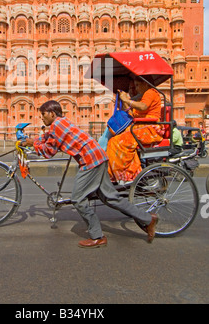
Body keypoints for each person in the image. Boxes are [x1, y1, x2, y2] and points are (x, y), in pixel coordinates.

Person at [20, 100, 158, 248]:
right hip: (99, 157)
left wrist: (32, 145)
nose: (42, 117)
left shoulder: (57, 126)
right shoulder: (61, 122)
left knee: (78, 199)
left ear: (52, 114)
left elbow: (48, 151)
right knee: (111, 198)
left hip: (90, 161)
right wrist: (31, 141)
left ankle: (98, 236)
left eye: (43, 114)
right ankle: (148, 219)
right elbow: (48, 138)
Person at [106, 77, 163, 183]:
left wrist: (127, 100)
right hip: (141, 126)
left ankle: (126, 175)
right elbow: (133, 112)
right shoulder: (143, 96)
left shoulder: (150, 92)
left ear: (145, 84)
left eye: (137, 85)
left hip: (149, 128)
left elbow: (143, 107)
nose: (136, 89)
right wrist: (124, 101)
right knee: (115, 141)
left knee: (117, 142)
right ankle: (129, 173)